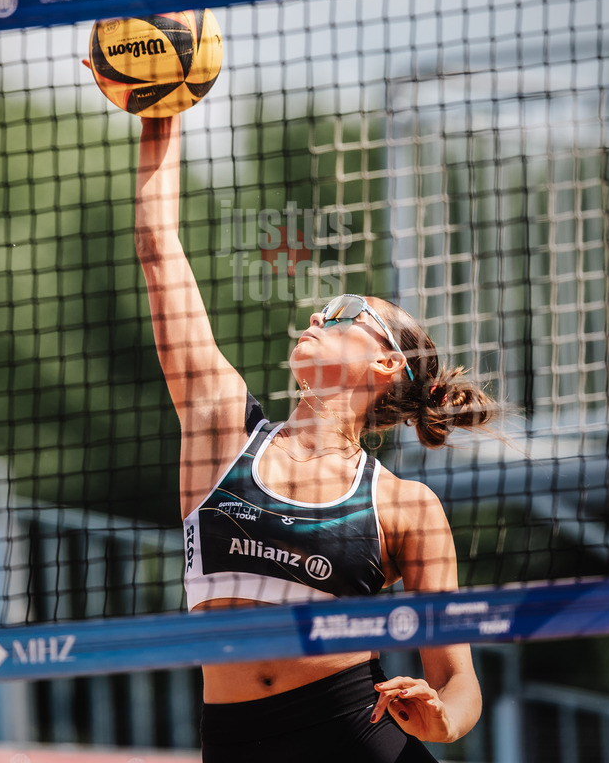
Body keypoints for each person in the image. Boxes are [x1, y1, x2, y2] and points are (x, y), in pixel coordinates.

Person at [134, 114, 497, 763]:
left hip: (357, 738)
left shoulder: (403, 506)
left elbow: (457, 680)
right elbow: (158, 247)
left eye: (341, 313)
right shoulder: (223, 429)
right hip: (236, 745)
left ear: (385, 363)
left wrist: (442, 720)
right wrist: (164, 108)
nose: (315, 314)